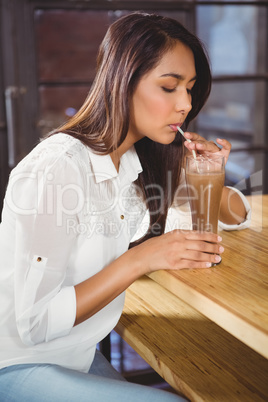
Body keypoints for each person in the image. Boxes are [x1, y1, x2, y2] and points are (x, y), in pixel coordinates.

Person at [0, 12, 251, 402]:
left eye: (190, 88)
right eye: (169, 87)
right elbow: (35, 323)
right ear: (123, 82)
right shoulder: (58, 168)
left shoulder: (137, 163)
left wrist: (208, 171)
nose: (185, 104)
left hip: (77, 355)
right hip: (19, 362)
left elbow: (236, 216)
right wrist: (141, 259)